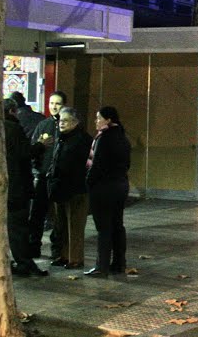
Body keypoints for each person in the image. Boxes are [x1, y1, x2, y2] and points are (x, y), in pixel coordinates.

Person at [85, 106, 131, 277]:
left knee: (103, 227)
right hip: (120, 186)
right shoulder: (123, 138)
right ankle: (119, 263)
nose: (96, 121)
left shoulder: (103, 139)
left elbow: (96, 166)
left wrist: (88, 183)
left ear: (109, 119)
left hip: (103, 188)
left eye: (99, 118)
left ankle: (101, 266)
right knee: (117, 225)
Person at [3, 99, 46, 277]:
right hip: (17, 187)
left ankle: (21, 261)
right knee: (19, 226)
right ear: (14, 111)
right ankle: (24, 262)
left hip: (5, 186)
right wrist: (41, 146)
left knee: (14, 226)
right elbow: (25, 153)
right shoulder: (12, 127)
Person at [47, 107, 92, 270]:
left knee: (75, 226)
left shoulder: (82, 140)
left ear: (75, 122)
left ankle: (76, 259)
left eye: (65, 121)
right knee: (62, 226)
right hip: (61, 188)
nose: (61, 123)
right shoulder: (63, 138)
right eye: (60, 120)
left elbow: (82, 166)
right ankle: (65, 255)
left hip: (76, 189)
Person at [29, 91, 66, 260]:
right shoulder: (43, 125)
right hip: (43, 176)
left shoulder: (67, 126)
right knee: (37, 214)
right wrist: (37, 171)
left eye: (57, 103)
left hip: (59, 178)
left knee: (59, 216)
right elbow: (34, 148)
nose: (54, 106)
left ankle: (57, 249)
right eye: (51, 103)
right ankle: (33, 246)